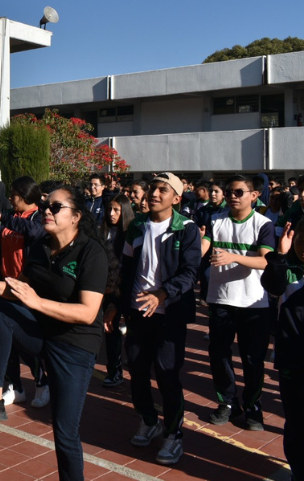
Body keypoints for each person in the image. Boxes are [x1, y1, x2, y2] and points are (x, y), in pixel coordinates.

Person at [0, 185, 113, 481]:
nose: (47, 212)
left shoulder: (90, 252)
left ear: (76, 216)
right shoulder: (41, 246)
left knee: (64, 431)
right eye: (45, 207)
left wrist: (37, 302)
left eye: (55, 207)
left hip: (75, 346)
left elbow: (87, 312)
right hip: (43, 334)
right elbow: (20, 290)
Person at [107, 173, 200, 466]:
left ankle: (173, 434)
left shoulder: (186, 229)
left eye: (163, 189)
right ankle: (149, 421)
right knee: (137, 371)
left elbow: (190, 273)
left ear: (176, 198)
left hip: (169, 315)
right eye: (152, 188)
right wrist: (116, 305)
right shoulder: (136, 226)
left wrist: (163, 293)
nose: (154, 194)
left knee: (167, 375)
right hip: (138, 313)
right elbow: (125, 270)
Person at [201, 175, 275, 430]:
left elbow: (265, 261)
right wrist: (194, 244)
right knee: (219, 354)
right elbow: (202, 248)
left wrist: (234, 257)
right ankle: (228, 403)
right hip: (221, 299)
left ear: (254, 195)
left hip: (254, 302)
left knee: (252, 359)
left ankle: (253, 407)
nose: (233, 196)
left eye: (239, 192)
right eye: (230, 192)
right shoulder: (215, 220)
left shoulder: (263, 224)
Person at [0, 176, 51, 408]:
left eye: (15, 195)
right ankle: (15, 387)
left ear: (26, 196)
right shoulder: (11, 215)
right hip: (5, 285)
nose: (10, 198)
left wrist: (4, 218)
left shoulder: (39, 216)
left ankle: (41, 381)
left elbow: (34, 232)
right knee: (4, 338)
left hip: (27, 289)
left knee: (26, 340)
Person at [261, 216, 304, 481]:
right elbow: (272, 287)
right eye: (301, 242)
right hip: (290, 353)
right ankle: (301, 473)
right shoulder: (286, 266)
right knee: (295, 421)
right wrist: (281, 255)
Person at [100, 193, 135, 388]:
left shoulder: (130, 233)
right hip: (105, 289)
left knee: (129, 335)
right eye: (109, 209)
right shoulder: (103, 231)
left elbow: (126, 268)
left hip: (123, 290)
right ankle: (114, 371)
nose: (111, 214)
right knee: (110, 331)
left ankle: (130, 370)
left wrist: (115, 297)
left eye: (116, 210)